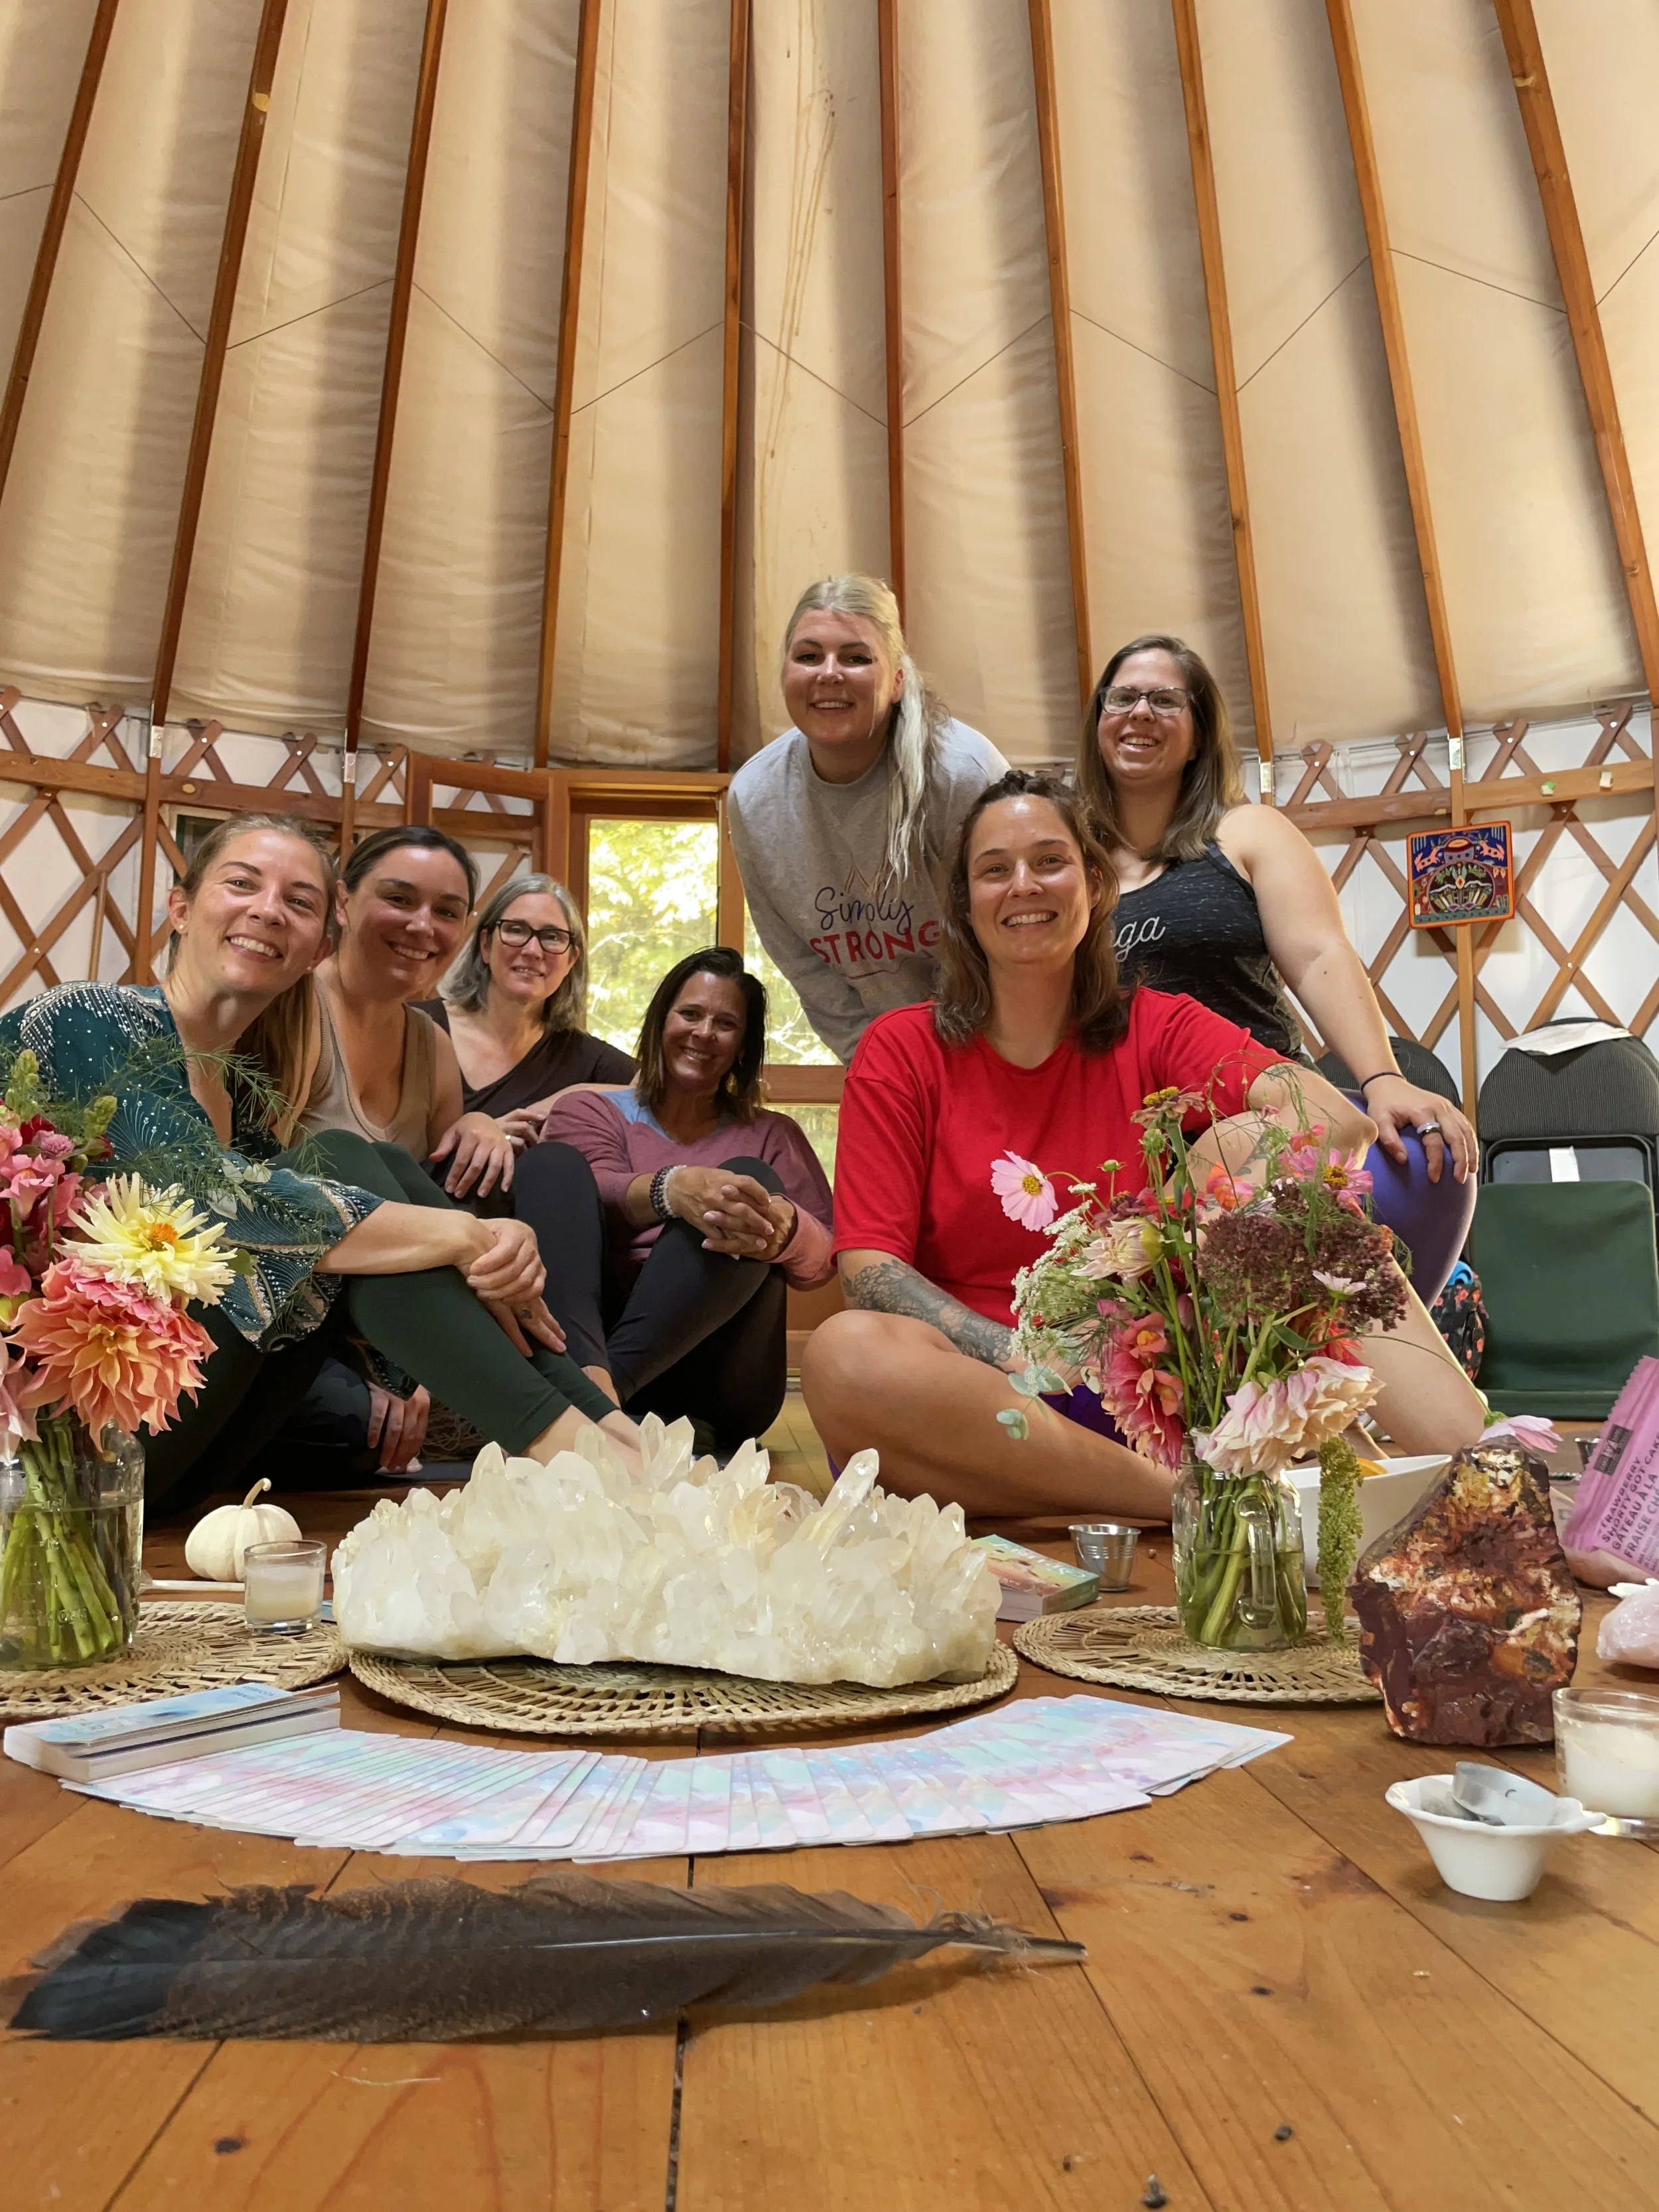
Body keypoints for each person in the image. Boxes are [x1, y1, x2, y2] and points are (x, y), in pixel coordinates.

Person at [803, 773, 1487, 1518]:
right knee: (845, 1354)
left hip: (1158, 1387)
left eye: (1049, 861)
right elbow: (868, 1272)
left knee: (1250, 1150)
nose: (1023, 885)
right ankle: (1184, 1503)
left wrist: (1175, 1227)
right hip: (977, 1403)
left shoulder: (1156, 1025)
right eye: (994, 869)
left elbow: (1334, 1122)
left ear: (1096, 886)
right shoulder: (903, 1049)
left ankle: (1489, 1471)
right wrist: (1019, 1354)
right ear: (966, 907)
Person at [0, 816, 638, 1511]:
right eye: (242, 884)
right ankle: (588, 1461)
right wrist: (465, 1235)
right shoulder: (88, 1017)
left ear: (315, 949)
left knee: (361, 1162)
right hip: (45, 1451)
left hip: (164, 1450)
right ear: (181, 909)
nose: (268, 910)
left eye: (299, 902)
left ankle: (617, 1441)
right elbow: (210, 1198)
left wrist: (472, 1258)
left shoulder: (241, 1103)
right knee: (335, 1174)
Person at [1077, 633, 1478, 1299]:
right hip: (1127, 1148)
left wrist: (1380, 1077)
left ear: (1200, 731)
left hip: (1262, 1120)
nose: (1139, 712)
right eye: (1122, 698)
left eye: (1164, 700)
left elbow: (1319, 953)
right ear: (1098, 723)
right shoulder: (1068, 865)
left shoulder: (1245, 833)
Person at [540, 946, 833, 1450]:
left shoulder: (774, 1135)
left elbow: (826, 1257)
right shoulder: (590, 1110)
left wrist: (784, 1231)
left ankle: (587, 1409)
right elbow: (580, 1195)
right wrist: (671, 1189)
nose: (703, 1033)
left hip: (722, 1385)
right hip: (596, 1342)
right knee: (550, 1166)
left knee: (745, 1184)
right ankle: (605, 1397)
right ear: (660, 1022)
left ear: (742, 1045)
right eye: (690, 1014)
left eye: (725, 1023)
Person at [727, 573, 1007, 1064]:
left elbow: (1012, 940)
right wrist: (881, 1064)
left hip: (998, 1042)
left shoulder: (963, 775)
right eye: (808, 656)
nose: (829, 673)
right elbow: (804, 964)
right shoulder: (755, 799)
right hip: (885, 1062)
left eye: (856, 657)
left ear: (898, 679)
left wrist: (960, 1068)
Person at [419, 873, 633, 1145]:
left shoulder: (586, 1060)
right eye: (516, 930)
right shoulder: (416, 1024)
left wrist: (575, 1094)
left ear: (571, 960)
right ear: (485, 945)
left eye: (552, 937)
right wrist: (482, 1133)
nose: (533, 950)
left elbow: (663, 1093)